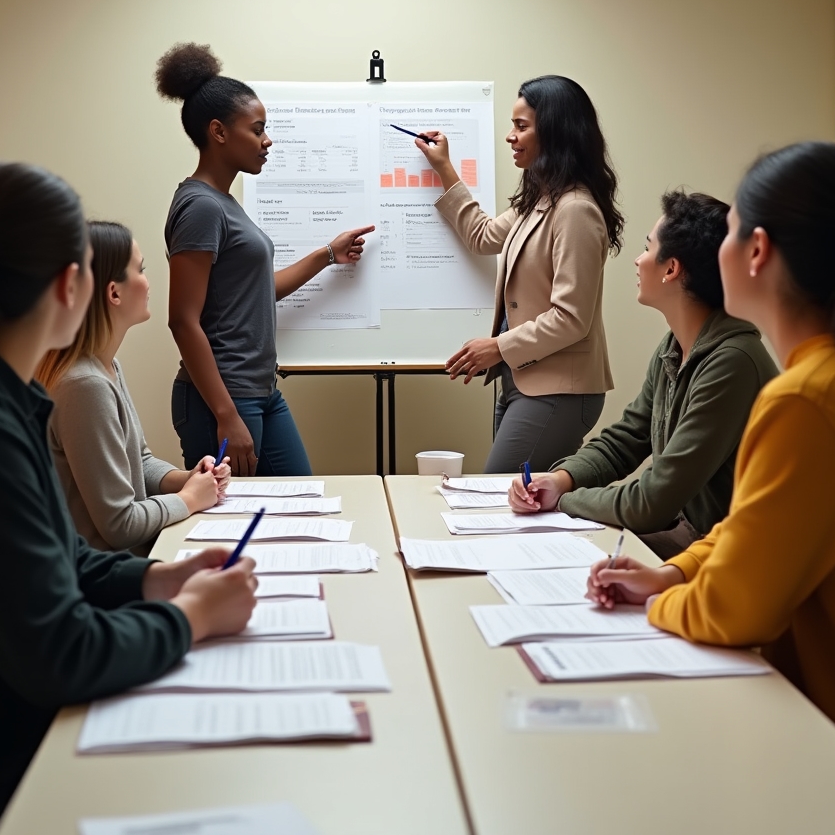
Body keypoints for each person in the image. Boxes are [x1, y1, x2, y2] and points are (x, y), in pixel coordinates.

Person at [0, 163, 257, 835]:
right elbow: (60, 651)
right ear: (72, 285)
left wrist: (158, 577)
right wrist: (192, 618)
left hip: (0, 745)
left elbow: (60, 559)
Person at [587, 143, 835, 798]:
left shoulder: (810, 398)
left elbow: (734, 613)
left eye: (732, 230)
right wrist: (671, 571)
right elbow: (756, 527)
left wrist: (657, 601)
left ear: (758, 251)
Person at [509, 190, 778, 558]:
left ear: (672, 269)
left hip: (724, 557)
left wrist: (565, 501)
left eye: (648, 248)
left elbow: (652, 502)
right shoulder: (675, 347)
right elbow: (626, 440)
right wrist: (560, 479)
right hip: (690, 539)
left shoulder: (732, 364)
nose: (638, 260)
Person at [157, 42, 374, 476]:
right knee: (233, 526)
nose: (267, 140)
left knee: (300, 503)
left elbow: (254, 293)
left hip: (260, 392)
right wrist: (226, 415)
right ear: (219, 132)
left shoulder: (224, 203)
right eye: (257, 130)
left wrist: (327, 255)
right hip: (222, 400)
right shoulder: (201, 207)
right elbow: (183, 320)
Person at [416, 75, 622, 472]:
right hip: (524, 382)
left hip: (560, 389)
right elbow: (482, 235)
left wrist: (497, 347)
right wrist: (443, 167)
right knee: (514, 503)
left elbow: (571, 318)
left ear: (556, 132)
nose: (510, 136)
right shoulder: (540, 201)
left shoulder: (575, 210)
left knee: (497, 493)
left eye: (521, 126)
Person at [38, 221, 231, 554]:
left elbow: (139, 462)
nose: (148, 282)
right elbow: (120, 525)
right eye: (140, 270)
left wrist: (186, 479)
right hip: (104, 583)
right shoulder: (85, 385)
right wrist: (187, 500)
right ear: (114, 292)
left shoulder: (106, 367)